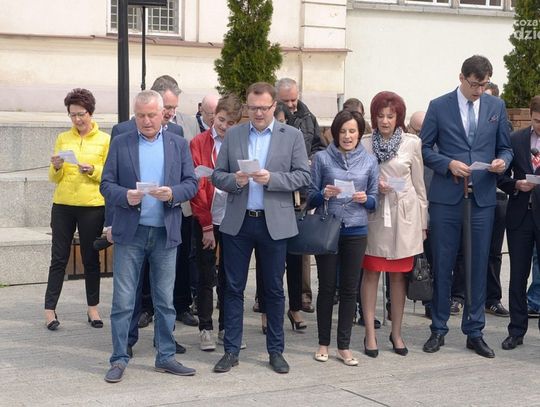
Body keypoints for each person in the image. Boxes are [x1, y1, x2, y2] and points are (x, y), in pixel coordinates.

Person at [211, 82, 310, 374]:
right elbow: (217, 175)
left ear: (273, 106)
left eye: (264, 108)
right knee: (233, 288)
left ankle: (276, 351)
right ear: (247, 107)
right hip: (239, 222)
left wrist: (273, 179)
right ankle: (231, 350)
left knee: (274, 289)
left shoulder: (291, 136)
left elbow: (304, 176)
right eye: (253, 108)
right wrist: (235, 180)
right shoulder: (235, 134)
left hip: (273, 223)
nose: (258, 113)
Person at [101, 90, 198, 383]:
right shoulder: (121, 142)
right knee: (123, 300)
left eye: (151, 115)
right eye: (140, 115)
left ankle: (165, 356)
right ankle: (119, 358)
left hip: (165, 233)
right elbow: (106, 184)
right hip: (131, 233)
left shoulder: (178, 143)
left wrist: (173, 193)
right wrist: (124, 195)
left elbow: (191, 183)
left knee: (165, 300)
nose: (146, 121)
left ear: (163, 114)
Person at [421, 55, 512, 358]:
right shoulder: (439, 106)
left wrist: (502, 162)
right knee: (443, 264)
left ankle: (475, 331)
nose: (479, 90)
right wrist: (448, 163)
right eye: (474, 84)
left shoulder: (496, 106)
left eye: (484, 85)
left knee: (478, 265)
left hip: (482, 198)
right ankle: (438, 328)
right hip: (447, 198)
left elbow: (506, 147)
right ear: (461, 78)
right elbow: (425, 148)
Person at [308, 109, 378, 365]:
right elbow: (309, 197)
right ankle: (323, 343)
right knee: (327, 287)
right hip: (328, 229)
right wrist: (324, 194)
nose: (347, 136)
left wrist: (365, 199)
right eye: (343, 131)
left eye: (352, 131)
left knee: (350, 289)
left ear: (360, 134)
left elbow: (375, 201)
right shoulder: (322, 158)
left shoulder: (370, 161)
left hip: (356, 230)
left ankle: (344, 346)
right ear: (335, 133)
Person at [360, 92, 427, 358]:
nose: (385, 121)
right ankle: (370, 332)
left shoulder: (412, 143)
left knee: (399, 276)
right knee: (371, 272)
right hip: (375, 215)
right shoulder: (365, 143)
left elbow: (419, 185)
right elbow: (357, 178)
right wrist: (373, 186)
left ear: (399, 117)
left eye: (390, 116)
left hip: (404, 216)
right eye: (380, 116)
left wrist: (423, 222)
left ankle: (397, 332)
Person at [44, 88, 110, 331]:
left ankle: (93, 308)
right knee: (58, 257)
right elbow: (54, 177)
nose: (77, 119)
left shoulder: (104, 139)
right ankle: (49, 309)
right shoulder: (63, 138)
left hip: (92, 206)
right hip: (63, 205)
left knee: (90, 257)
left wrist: (93, 170)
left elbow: (109, 175)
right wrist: (57, 166)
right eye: (72, 115)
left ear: (90, 112)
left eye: (81, 114)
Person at [190, 94, 243, 351]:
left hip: (232, 216)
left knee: (230, 276)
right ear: (214, 116)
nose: (224, 126)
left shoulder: (240, 144)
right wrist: (207, 225)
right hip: (206, 216)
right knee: (205, 274)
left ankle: (226, 328)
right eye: (221, 120)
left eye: (231, 123)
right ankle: (205, 328)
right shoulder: (199, 142)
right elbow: (196, 186)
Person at [255, 101, 307, 335]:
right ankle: (266, 312)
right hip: (265, 209)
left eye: (282, 122)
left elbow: (302, 174)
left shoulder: (293, 138)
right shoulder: (259, 141)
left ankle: (295, 308)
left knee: (295, 261)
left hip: (292, 207)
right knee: (265, 267)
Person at [276, 77, 323, 314]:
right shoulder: (273, 118)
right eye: (286, 100)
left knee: (301, 249)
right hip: (277, 191)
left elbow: (319, 146)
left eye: (294, 99)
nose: (291, 104)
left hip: (301, 192)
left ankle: (303, 296)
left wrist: (312, 160)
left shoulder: (308, 117)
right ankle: (266, 299)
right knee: (273, 250)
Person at [498, 95, 540, 350]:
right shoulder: (516, 140)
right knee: (517, 276)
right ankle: (516, 330)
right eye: (537, 121)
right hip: (520, 217)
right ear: (531, 117)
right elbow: (501, 177)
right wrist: (516, 184)